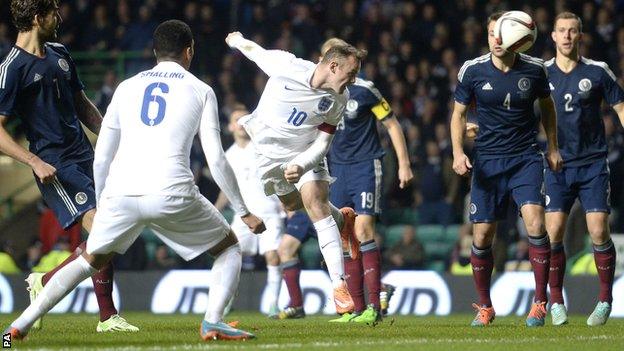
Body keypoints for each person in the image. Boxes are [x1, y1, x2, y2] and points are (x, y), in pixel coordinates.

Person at [4, 19, 265, 342]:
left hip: (120, 194)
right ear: (189, 51)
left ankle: (17, 326)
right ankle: (212, 321)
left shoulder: (126, 87)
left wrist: (106, 199)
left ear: (155, 52)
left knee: (90, 260)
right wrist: (243, 211)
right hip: (172, 191)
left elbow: (102, 156)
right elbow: (216, 159)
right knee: (228, 247)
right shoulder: (201, 90)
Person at [0, 0, 137, 332]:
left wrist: (108, 137)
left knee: (109, 232)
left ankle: (46, 280)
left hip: (86, 156)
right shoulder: (13, 68)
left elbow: (81, 104)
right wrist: (34, 161)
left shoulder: (60, 53)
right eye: (52, 13)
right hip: (55, 164)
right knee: (102, 229)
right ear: (37, 18)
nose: (59, 18)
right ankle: (107, 318)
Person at [225, 31, 367, 315]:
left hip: (305, 153)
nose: (352, 81)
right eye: (351, 74)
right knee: (291, 204)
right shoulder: (287, 66)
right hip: (267, 154)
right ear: (333, 66)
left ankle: (339, 287)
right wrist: (237, 41)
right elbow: (257, 51)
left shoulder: (340, 98)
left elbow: (323, 143)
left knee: (315, 204)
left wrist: (301, 165)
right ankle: (343, 219)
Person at [450, 11, 563, 327]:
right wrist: (458, 152)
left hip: (525, 157)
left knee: (536, 225)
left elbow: (547, 108)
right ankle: (485, 307)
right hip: (487, 160)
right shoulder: (472, 71)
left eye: (503, 34)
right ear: (487, 36)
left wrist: (552, 146)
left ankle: (540, 302)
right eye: (491, 34)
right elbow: (458, 115)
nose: (497, 40)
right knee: (483, 235)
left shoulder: (536, 69)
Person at [318, 38, 413, 323]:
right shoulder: (318, 93)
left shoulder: (365, 89)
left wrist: (404, 164)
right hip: (336, 169)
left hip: (365, 166)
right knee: (345, 238)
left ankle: (375, 307)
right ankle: (356, 309)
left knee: (363, 229)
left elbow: (392, 124)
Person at [545, 12, 624, 326]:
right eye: (561, 31)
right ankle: (555, 301)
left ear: (580, 36)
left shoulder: (597, 71)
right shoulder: (541, 73)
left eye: (572, 31)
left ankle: (605, 299)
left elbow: (619, 106)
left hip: (592, 164)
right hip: (556, 164)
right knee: (552, 234)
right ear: (553, 36)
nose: (566, 36)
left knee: (598, 231)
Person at [215, 104, 286, 318]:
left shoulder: (263, 147)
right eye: (236, 119)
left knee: (273, 256)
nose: (241, 124)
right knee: (231, 255)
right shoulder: (228, 155)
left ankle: (273, 304)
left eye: (245, 119)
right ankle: (228, 301)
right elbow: (227, 190)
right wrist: (215, 210)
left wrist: (285, 199)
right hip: (243, 214)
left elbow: (279, 174)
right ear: (229, 127)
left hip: (270, 210)